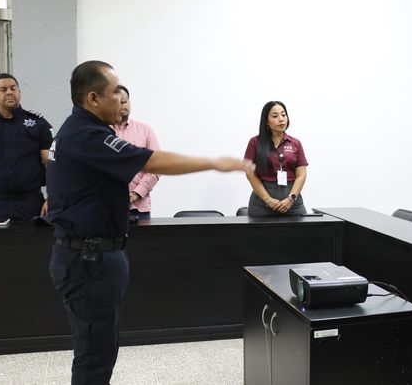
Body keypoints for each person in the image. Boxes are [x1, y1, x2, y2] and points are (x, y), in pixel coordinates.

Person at [46, 60, 255, 385]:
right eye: (115, 91)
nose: (122, 98)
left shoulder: (79, 131)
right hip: (88, 259)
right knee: (94, 356)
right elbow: (152, 160)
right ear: (93, 99)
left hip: (90, 255)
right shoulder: (88, 136)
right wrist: (214, 162)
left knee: (98, 350)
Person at [0, 74, 53, 220]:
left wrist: (53, 198)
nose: (10, 92)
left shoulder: (38, 123)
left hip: (30, 202)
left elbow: (52, 164)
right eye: (3, 89)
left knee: (32, 243)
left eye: (13, 88)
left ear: (19, 93)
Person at [243, 101, 308, 216]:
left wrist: (291, 199)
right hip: (262, 204)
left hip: (293, 204)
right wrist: (268, 200)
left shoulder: (295, 143)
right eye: (275, 116)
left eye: (283, 115)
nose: (281, 119)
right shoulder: (255, 142)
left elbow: (301, 175)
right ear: (266, 120)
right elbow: (250, 174)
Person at [112, 85, 160, 219]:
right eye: (117, 102)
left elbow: (156, 167)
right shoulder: (101, 132)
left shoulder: (145, 131)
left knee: (142, 241)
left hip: (139, 208)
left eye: (125, 101)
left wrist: (136, 193)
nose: (122, 105)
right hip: (108, 208)